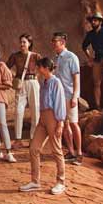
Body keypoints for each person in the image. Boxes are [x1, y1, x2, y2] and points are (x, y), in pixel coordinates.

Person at [20, 56, 68, 195]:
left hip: (53, 117)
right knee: (34, 148)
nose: (38, 69)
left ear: (46, 68)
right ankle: (35, 181)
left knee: (57, 150)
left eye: (40, 67)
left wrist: (60, 123)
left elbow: (59, 103)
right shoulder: (44, 82)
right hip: (43, 118)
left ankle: (61, 182)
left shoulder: (55, 82)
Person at [50, 31, 83, 165]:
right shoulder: (56, 59)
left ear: (62, 42)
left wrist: (75, 96)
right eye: (52, 41)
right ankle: (70, 151)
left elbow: (76, 78)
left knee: (74, 123)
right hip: (59, 96)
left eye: (55, 41)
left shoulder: (71, 57)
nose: (53, 44)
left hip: (70, 96)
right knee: (64, 124)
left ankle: (79, 153)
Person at [6, 34, 42, 145]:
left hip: (32, 83)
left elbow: (45, 67)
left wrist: (37, 76)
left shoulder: (35, 56)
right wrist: (13, 77)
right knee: (18, 111)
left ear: (29, 44)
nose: (22, 44)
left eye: (24, 42)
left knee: (35, 110)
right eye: (21, 42)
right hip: (20, 84)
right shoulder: (15, 56)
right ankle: (18, 139)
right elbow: (6, 68)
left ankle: (33, 139)